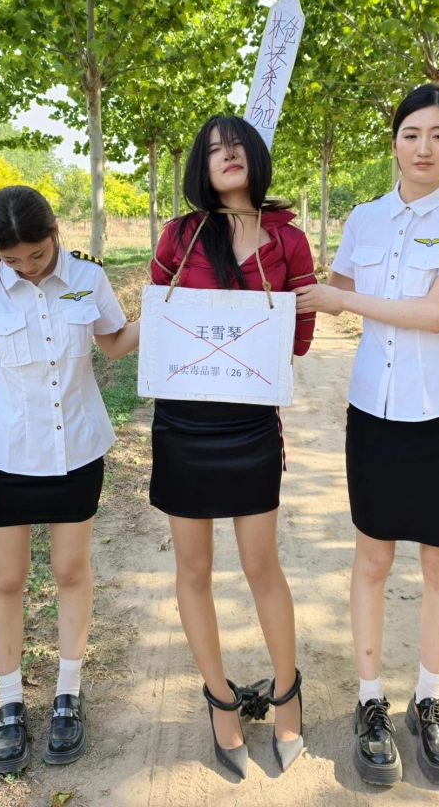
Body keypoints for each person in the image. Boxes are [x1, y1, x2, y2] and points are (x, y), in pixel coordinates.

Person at [296, 84, 439, 787]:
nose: (424, 148)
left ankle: (428, 700)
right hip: (375, 413)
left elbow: (435, 314)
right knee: (372, 559)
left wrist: (343, 297)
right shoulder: (364, 218)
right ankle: (370, 700)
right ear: (394, 143)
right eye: (412, 134)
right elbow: (326, 290)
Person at [0, 185, 139, 774]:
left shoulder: (87, 277)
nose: (29, 267)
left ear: (55, 232)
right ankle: (10, 704)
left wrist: (163, 311)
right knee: (7, 579)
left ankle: (67, 694)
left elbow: (114, 346)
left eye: (37, 253)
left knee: (70, 571)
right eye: (13, 259)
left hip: (77, 450)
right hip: (7, 457)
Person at [149, 115, 316, 778]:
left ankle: (287, 694)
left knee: (260, 566)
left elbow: (297, 343)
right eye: (214, 148)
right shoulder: (179, 236)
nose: (227, 155)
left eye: (237, 144)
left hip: (250, 428)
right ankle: (220, 700)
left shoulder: (289, 240)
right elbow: (156, 323)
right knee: (193, 571)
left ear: (255, 156)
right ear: (202, 165)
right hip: (182, 427)